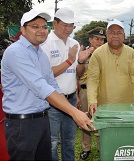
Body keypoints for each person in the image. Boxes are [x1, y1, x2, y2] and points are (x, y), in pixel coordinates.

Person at [1, 9, 93, 160]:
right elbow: (40, 87)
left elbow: (52, 85)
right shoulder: (16, 52)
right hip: (22, 124)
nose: (41, 31)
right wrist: (74, 112)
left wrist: (72, 107)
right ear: (23, 30)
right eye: (35, 26)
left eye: (44, 27)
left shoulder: (40, 54)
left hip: (42, 119)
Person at [41, 7, 93, 160]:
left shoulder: (74, 43)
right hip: (52, 101)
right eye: (65, 25)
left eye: (72, 26)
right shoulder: (46, 43)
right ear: (54, 23)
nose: (68, 29)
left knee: (69, 140)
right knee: (52, 142)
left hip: (70, 98)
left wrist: (81, 61)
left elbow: (78, 73)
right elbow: (46, 75)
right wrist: (70, 60)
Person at [87, 19, 134, 116]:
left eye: (119, 33)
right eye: (112, 33)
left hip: (128, 105)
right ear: (107, 35)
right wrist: (92, 101)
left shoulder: (131, 53)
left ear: (123, 35)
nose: (115, 36)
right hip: (104, 106)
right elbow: (92, 80)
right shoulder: (97, 54)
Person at [77, 27, 106, 160]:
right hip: (85, 90)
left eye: (102, 39)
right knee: (86, 120)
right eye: (96, 39)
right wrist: (81, 60)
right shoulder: (83, 54)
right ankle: (86, 148)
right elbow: (77, 74)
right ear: (90, 39)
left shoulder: (106, 54)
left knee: (101, 119)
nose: (99, 42)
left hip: (101, 91)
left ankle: (102, 147)